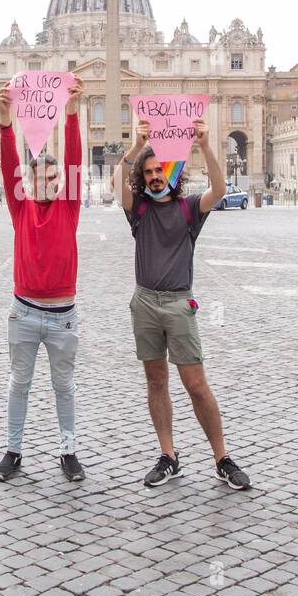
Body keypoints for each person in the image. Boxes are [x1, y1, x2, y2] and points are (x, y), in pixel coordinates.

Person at [114, 115, 252, 491]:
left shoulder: (190, 209)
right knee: (155, 380)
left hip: (178, 303)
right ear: (142, 177)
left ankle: (222, 458)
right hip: (143, 302)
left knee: (195, 383)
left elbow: (220, 190)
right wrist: (133, 146)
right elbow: (117, 189)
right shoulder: (138, 211)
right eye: (149, 171)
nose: (155, 176)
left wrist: (205, 146)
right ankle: (168, 455)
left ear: (173, 174)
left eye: (161, 170)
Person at [0, 77, 86, 483]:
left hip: (63, 315)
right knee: (19, 384)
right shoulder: (20, 208)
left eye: (53, 178)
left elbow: (75, 159)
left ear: (61, 182)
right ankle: (13, 450)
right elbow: (11, 161)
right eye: (38, 179)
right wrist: (4, 123)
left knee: (64, 387)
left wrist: (71, 114)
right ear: (26, 184)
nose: (47, 183)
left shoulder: (69, 207)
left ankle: (68, 451)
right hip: (25, 311)